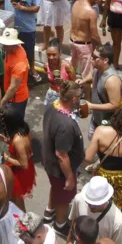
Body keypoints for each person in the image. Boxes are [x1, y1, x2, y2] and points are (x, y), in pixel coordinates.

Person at [84, 104, 122, 240]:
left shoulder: (100, 131)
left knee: (102, 207)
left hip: (103, 176)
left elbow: (88, 157)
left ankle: (102, 237)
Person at [43, 80, 85, 234]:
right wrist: (69, 177)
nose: (80, 99)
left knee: (56, 188)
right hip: (60, 169)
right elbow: (61, 155)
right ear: (73, 99)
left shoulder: (52, 105)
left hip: (50, 163)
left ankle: (49, 212)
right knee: (64, 198)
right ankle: (60, 224)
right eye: (79, 97)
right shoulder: (65, 125)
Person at [66, 177, 122, 244]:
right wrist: (69, 241)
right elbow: (75, 221)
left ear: (106, 199)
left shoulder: (118, 221)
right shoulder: (79, 200)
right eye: (88, 202)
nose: (91, 206)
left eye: (96, 204)